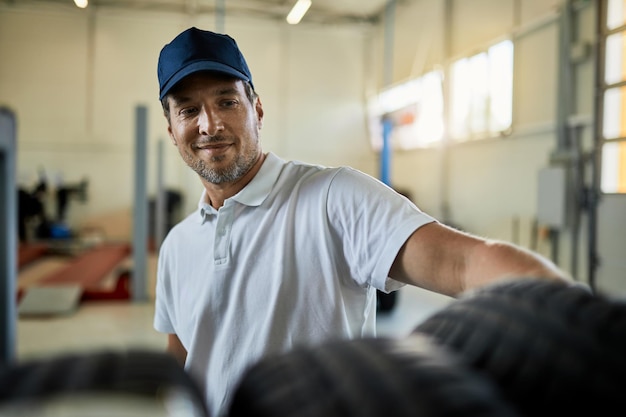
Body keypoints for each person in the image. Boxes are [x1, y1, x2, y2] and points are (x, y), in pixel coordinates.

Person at [153, 27, 568, 417]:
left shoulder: (335, 197)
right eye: (189, 110)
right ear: (173, 130)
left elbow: (464, 264)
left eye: (227, 101)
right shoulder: (177, 245)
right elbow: (184, 357)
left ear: (257, 109)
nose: (210, 124)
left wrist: (578, 320)